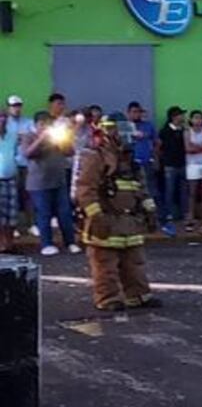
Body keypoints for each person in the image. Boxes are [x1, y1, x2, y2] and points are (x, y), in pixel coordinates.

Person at [76, 112, 161, 312]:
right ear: (107, 132)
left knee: (134, 261)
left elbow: (141, 189)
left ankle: (138, 295)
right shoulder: (96, 157)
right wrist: (96, 216)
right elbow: (85, 189)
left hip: (129, 220)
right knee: (105, 264)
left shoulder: (132, 162)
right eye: (119, 131)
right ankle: (108, 298)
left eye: (127, 131)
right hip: (106, 219)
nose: (125, 136)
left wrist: (150, 212)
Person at [20, 110, 78, 256]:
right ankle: (47, 244)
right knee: (44, 213)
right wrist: (42, 139)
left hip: (59, 181)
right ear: (36, 125)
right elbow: (27, 153)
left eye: (48, 124)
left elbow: (70, 152)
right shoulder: (29, 136)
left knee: (64, 213)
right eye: (42, 124)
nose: (45, 127)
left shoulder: (56, 136)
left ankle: (70, 242)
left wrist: (63, 140)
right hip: (39, 184)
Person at [157, 106, 188, 237]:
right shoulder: (164, 131)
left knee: (183, 190)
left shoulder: (184, 131)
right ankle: (168, 215)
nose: (183, 117)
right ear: (174, 117)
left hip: (182, 164)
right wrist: (161, 161)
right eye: (180, 115)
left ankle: (183, 214)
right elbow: (159, 147)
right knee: (169, 191)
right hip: (170, 165)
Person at [7, 95, 33, 233]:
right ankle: (14, 226)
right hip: (11, 164)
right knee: (13, 196)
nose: (16, 108)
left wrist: (23, 138)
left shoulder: (28, 122)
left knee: (29, 194)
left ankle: (31, 224)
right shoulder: (5, 123)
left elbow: (32, 137)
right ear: (9, 107)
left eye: (18, 106)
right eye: (13, 106)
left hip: (27, 164)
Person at [184, 110, 202, 232]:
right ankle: (190, 218)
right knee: (192, 193)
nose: (198, 120)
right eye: (195, 118)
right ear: (191, 119)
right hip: (192, 165)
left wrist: (197, 147)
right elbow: (188, 148)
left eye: (200, 118)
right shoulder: (187, 132)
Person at [0, 109, 17, 253]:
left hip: (11, 178)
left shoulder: (12, 136)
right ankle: (2, 244)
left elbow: (17, 155)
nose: (1, 120)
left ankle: (9, 244)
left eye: (3, 117)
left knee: (11, 214)